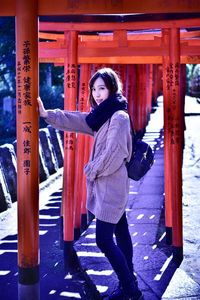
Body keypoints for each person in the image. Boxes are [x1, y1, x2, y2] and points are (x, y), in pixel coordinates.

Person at [37, 67, 143, 300]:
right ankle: (131, 282)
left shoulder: (119, 117)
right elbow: (77, 119)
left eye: (102, 88)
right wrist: (47, 115)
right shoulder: (103, 115)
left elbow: (114, 154)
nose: (97, 93)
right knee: (122, 231)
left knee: (103, 240)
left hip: (111, 188)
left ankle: (131, 289)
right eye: (94, 89)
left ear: (112, 88)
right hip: (112, 187)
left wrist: (90, 170)